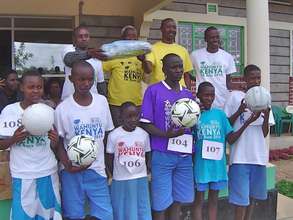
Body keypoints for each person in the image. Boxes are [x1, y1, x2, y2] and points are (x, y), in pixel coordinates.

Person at [192, 81, 262, 220]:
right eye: (206, 95)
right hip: (202, 166)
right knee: (199, 200)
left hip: (218, 167)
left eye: (212, 95)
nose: (209, 98)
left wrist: (247, 122)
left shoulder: (219, 114)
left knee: (213, 200)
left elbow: (230, 138)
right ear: (198, 95)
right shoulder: (194, 115)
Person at [54, 60, 114, 220]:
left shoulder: (101, 102)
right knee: (74, 215)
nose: (86, 83)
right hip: (71, 172)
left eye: (90, 79)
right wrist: (67, 165)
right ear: (71, 78)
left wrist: (108, 166)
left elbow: (107, 135)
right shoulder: (62, 109)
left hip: (97, 169)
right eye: (81, 79)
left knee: (105, 214)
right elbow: (58, 142)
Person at [0, 71, 61, 220]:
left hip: (47, 172)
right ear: (22, 87)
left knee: (48, 216)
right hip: (23, 174)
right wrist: (14, 139)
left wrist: (55, 141)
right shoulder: (10, 111)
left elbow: (55, 146)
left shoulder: (49, 111)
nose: (35, 90)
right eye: (31, 87)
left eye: (39, 87)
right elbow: (1, 145)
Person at [140, 53, 194, 220]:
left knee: (178, 200)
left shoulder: (187, 93)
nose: (178, 70)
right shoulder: (153, 91)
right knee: (161, 203)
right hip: (162, 153)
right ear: (164, 69)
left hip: (184, 155)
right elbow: (145, 123)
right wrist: (165, 135)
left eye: (180, 66)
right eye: (173, 67)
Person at [223, 64, 275, 220]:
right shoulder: (234, 97)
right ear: (245, 79)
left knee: (253, 197)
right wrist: (240, 111)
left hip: (258, 157)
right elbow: (227, 125)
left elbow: (264, 133)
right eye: (252, 77)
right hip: (240, 158)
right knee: (240, 201)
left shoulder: (264, 98)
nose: (256, 81)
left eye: (258, 77)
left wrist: (266, 117)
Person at [106, 101, 152, 220]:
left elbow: (147, 154)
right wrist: (115, 173)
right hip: (121, 179)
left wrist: (145, 171)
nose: (133, 119)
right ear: (120, 118)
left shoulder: (143, 134)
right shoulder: (114, 135)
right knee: (122, 208)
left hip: (140, 177)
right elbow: (109, 158)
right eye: (129, 116)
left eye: (135, 116)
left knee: (141, 207)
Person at [103, 25, 148, 126]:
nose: (132, 39)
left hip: (136, 103)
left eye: (134, 37)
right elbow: (100, 70)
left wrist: (144, 60)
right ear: (122, 39)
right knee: (118, 131)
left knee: (135, 131)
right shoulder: (114, 55)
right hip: (116, 103)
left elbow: (148, 73)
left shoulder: (140, 55)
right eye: (129, 36)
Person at [190, 26, 237, 109]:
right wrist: (196, 79)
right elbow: (186, 72)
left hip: (222, 102)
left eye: (217, 37)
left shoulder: (227, 57)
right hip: (202, 103)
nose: (215, 40)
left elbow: (228, 82)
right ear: (205, 39)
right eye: (212, 37)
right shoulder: (195, 55)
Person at [143, 18, 193, 89]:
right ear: (161, 29)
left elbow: (186, 74)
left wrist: (187, 92)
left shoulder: (183, 50)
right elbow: (148, 70)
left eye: (174, 27)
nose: (171, 30)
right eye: (168, 27)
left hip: (179, 92)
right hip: (160, 92)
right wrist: (143, 60)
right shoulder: (152, 48)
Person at [61, 25, 107, 100]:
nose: (84, 39)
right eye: (80, 36)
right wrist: (88, 54)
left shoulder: (96, 57)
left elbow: (100, 83)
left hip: (92, 101)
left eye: (86, 36)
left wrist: (104, 100)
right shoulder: (68, 49)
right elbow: (68, 60)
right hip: (69, 100)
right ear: (74, 39)